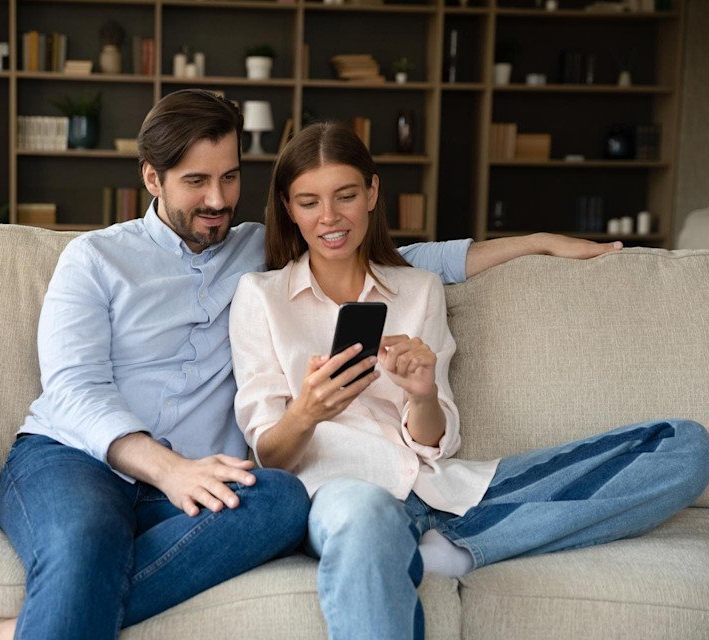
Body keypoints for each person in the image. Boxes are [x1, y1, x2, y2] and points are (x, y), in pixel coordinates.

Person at [0, 90, 625, 640]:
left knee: (283, 500)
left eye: (229, 177)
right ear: (151, 178)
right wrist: (168, 469)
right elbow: (72, 390)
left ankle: (42, 624)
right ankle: (52, 619)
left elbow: (394, 258)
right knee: (88, 540)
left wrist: (534, 242)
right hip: (74, 459)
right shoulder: (95, 260)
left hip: (203, 476)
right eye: (196, 182)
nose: (218, 199)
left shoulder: (255, 250)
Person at [229, 121, 709, 640]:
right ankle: (450, 543)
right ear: (285, 205)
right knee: (366, 517)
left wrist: (422, 393)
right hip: (344, 495)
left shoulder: (418, 289)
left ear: (372, 192)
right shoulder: (260, 296)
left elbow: (439, 442)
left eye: (346, 195)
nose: (329, 218)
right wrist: (308, 411)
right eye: (308, 202)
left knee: (683, 445)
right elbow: (270, 455)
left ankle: (448, 548)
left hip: (445, 489)